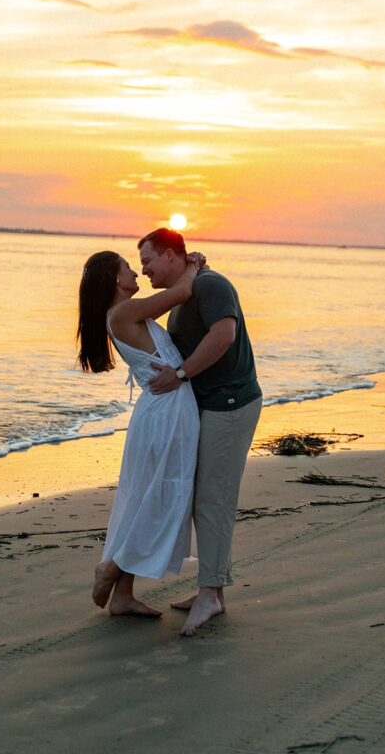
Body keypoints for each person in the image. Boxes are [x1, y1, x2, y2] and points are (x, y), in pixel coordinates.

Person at [138, 228, 262, 636]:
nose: (144, 271)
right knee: (203, 498)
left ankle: (210, 594)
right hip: (210, 406)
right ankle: (213, 591)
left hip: (231, 404)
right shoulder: (187, 288)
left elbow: (224, 335)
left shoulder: (211, 285)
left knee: (214, 500)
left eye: (148, 261)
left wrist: (179, 374)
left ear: (172, 256)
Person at [77, 248, 204, 617]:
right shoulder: (123, 312)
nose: (137, 273)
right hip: (165, 414)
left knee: (144, 499)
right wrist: (194, 264)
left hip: (162, 410)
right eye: (130, 268)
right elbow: (179, 294)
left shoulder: (122, 314)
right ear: (116, 280)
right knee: (158, 499)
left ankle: (123, 595)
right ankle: (112, 569)